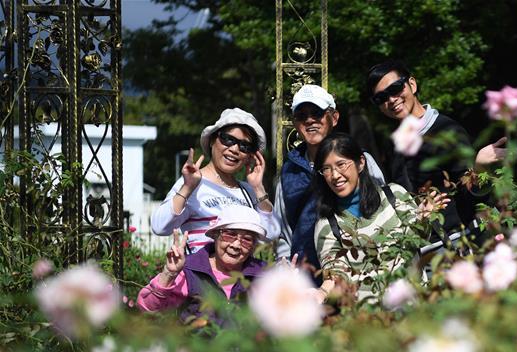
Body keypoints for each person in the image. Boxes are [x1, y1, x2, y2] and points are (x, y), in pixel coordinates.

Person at [365, 60, 506, 238]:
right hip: (423, 247)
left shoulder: (447, 131)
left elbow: (474, 198)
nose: (391, 100)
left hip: (463, 241)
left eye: (395, 89)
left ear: (412, 84)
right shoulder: (393, 145)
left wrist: (479, 169)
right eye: (381, 98)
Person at [274, 84, 385, 270]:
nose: (310, 120)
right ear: (295, 123)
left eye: (317, 113)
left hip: (362, 269)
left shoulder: (360, 160)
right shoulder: (289, 171)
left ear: (334, 118)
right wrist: (284, 264)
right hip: (308, 277)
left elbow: (385, 208)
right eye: (302, 116)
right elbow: (282, 230)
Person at [151, 108, 280, 253]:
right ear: (212, 140)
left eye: (244, 146)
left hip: (239, 275)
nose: (234, 149)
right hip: (203, 274)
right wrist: (187, 188)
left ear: (250, 156)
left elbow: (272, 233)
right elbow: (160, 226)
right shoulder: (192, 182)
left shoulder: (248, 191)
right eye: (228, 139)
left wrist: (258, 188)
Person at [312, 133, 419, 303]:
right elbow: (335, 272)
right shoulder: (327, 225)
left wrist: (425, 220)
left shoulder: (395, 195)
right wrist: (322, 292)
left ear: (360, 163)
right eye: (326, 169)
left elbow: (419, 239)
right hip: (369, 320)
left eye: (341, 165)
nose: (335, 175)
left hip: (415, 307)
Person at [138, 205, 268, 325]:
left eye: (246, 240)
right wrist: (169, 274)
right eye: (230, 235)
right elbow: (147, 309)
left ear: (253, 247)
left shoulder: (264, 276)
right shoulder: (190, 270)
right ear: (215, 235)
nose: (236, 245)